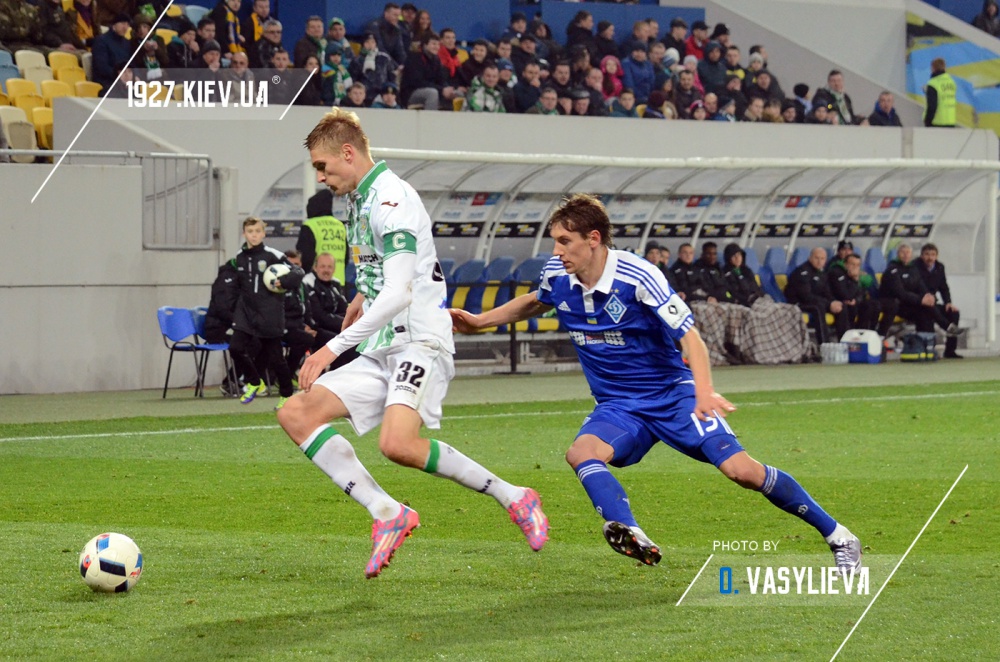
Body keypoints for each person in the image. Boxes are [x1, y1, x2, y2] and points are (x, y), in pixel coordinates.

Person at [450, 195, 862, 572]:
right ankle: (629, 530)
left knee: (742, 472)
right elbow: (536, 301)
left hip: (672, 395)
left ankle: (840, 537)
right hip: (618, 405)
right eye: (555, 241)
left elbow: (691, 338)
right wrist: (479, 321)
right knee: (581, 453)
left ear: (593, 239)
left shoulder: (638, 276)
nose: (556, 251)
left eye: (564, 241)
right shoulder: (557, 273)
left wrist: (703, 391)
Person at [276, 109, 550, 579]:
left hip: (420, 340)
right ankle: (387, 512)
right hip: (384, 343)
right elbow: (384, 272)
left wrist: (330, 348)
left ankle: (515, 496)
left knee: (397, 444)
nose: (320, 176)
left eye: (323, 165)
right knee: (295, 414)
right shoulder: (358, 201)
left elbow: (400, 293)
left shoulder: (392, 199)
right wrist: (360, 296)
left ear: (348, 152)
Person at [230, 217, 305, 409]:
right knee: (235, 348)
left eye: (257, 231)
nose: (254, 235)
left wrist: (284, 281)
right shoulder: (239, 257)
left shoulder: (273, 255)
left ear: (263, 233)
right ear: (244, 234)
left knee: (276, 357)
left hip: (269, 312)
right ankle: (255, 382)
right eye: (250, 231)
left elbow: (298, 272)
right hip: (246, 312)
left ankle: (286, 395)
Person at [880, 243, 960, 343]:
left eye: (908, 252)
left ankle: (941, 342)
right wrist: (921, 299)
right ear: (898, 254)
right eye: (902, 252)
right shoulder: (893, 269)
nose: (905, 255)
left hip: (914, 302)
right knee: (925, 311)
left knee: (948, 311)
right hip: (899, 305)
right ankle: (943, 330)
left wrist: (928, 296)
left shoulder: (913, 269)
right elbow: (901, 293)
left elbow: (921, 285)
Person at [784, 247, 846, 343]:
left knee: (841, 306)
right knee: (818, 307)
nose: (819, 261)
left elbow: (827, 293)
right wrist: (829, 304)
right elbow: (806, 296)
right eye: (816, 258)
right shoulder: (803, 271)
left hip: (816, 301)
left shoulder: (822, 273)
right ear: (810, 258)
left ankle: (844, 341)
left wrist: (833, 302)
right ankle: (824, 343)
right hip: (798, 303)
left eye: (822, 259)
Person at [914, 242, 962, 358]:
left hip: (933, 303)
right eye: (927, 254)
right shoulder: (915, 267)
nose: (930, 258)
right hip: (918, 303)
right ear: (921, 256)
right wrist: (925, 298)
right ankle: (931, 348)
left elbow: (944, 288)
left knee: (953, 313)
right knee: (927, 312)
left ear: (936, 256)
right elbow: (916, 286)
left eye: (933, 255)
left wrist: (948, 303)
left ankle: (950, 351)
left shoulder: (940, 267)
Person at [400, 31, 455, 110]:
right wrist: (441, 89)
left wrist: (446, 88)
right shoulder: (415, 58)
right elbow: (418, 82)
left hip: (432, 88)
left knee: (455, 94)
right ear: (425, 45)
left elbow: (441, 79)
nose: (436, 47)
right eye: (433, 44)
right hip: (410, 93)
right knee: (432, 93)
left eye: (438, 44)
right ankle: (429, 117)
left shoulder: (436, 60)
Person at [828, 253, 881, 335]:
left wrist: (856, 300)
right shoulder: (836, 272)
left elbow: (861, 293)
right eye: (852, 264)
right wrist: (855, 280)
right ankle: (850, 336)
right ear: (845, 264)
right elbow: (845, 295)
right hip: (839, 302)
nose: (855, 267)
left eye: (858, 265)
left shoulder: (857, 275)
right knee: (850, 308)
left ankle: (868, 334)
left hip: (853, 302)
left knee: (874, 305)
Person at [349, 32, 397, 104]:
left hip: (382, 96)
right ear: (363, 44)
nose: (370, 45)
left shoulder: (384, 58)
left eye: (372, 42)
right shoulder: (357, 60)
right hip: (364, 97)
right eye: (367, 42)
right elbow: (354, 79)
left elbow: (391, 77)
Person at [924, 58, 956, 127]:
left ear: (933, 68)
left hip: (937, 122)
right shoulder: (951, 82)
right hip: (950, 121)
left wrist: (927, 121)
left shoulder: (933, 83)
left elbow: (932, 106)